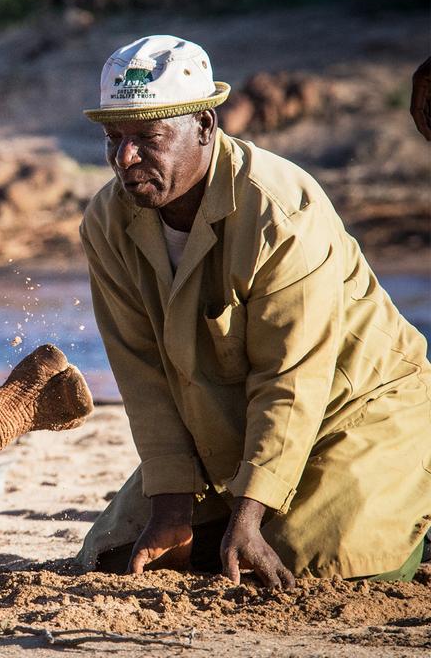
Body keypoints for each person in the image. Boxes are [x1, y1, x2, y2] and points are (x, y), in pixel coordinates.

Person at [75, 35, 431, 587]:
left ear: (206, 128)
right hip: (227, 426)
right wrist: (171, 507)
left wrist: (247, 513)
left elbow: (292, 376)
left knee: (319, 567)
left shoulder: (280, 211)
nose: (125, 157)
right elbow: (142, 374)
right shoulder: (107, 221)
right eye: (113, 137)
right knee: (115, 557)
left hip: (355, 409)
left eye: (147, 136)